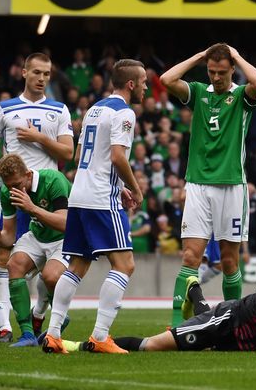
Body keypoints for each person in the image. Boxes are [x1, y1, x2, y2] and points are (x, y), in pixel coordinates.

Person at [0, 52, 74, 343]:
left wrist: (39, 138)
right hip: (13, 194)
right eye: (36, 72)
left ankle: (41, 315)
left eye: (47, 74)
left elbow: (67, 153)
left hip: (48, 195)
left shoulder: (59, 109)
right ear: (23, 72)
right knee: (5, 255)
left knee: (46, 267)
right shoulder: (5, 108)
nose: (41, 79)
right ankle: (5, 327)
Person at [42, 59, 146, 355]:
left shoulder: (94, 109)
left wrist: (120, 185)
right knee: (124, 265)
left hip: (79, 194)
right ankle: (100, 336)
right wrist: (135, 188)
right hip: (102, 198)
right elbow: (116, 156)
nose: (146, 87)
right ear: (130, 84)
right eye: (143, 82)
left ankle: (52, 335)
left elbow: (86, 155)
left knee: (77, 265)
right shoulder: (125, 113)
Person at [160, 43, 256, 326]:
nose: (216, 77)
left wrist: (239, 56)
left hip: (232, 186)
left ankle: (233, 321)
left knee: (229, 261)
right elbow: (166, 80)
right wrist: (198, 56)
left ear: (232, 69)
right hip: (197, 184)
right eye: (211, 72)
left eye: (221, 72)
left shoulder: (242, 96)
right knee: (190, 255)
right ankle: (175, 325)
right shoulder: (197, 92)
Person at [55, 267, 256, 354]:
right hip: (228, 322)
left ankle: (195, 292)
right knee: (154, 346)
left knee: (202, 329)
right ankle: (84, 344)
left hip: (246, 341)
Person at [0, 154, 71, 347]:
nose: (13, 190)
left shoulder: (54, 180)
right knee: (13, 265)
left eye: (17, 184)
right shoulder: (7, 192)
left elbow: (65, 223)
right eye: (8, 186)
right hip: (37, 235)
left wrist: (32, 208)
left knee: (50, 277)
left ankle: (60, 315)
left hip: (65, 238)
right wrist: (0, 239)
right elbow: (9, 235)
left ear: (28, 174)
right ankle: (27, 334)